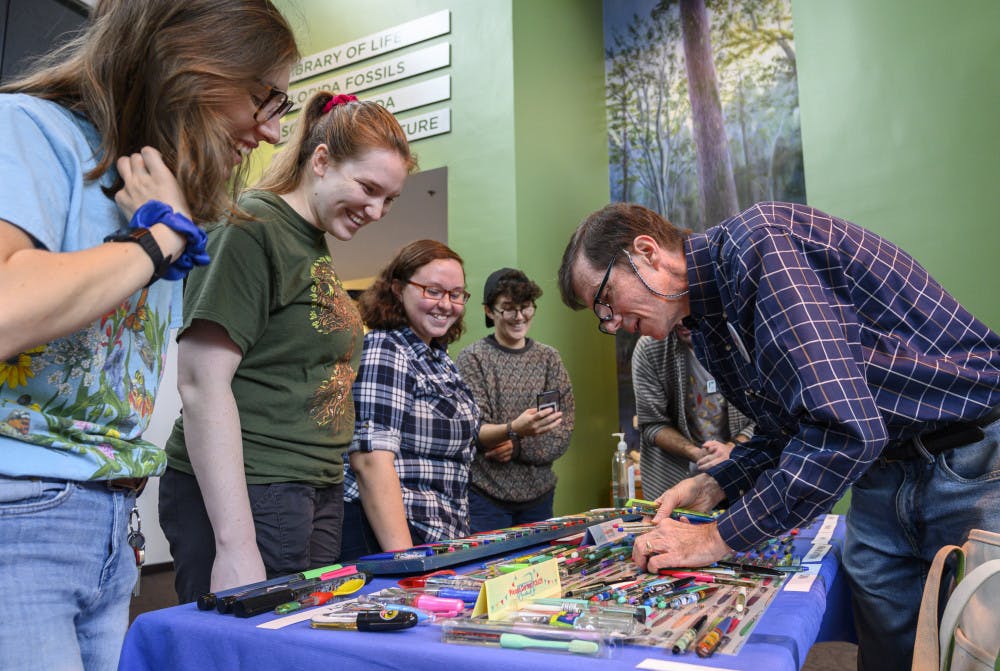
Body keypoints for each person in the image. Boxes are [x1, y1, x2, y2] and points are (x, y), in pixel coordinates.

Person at [557, 201, 1000, 671]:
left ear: (646, 252)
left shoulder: (762, 244)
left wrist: (714, 539)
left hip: (969, 459)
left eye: (606, 301)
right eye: (600, 316)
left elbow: (845, 431)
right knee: (889, 656)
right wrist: (718, 483)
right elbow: (787, 427)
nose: (613, 324)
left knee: (978, 652)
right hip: (880, 469)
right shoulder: (706, 325)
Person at [0, 0, 298, 668]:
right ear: (189, 60)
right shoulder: (27, 129)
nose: (273, 132)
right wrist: (159, 239)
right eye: (263, 98)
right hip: (19, 511)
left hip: (105, 526)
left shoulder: (150, 189)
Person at [158, 91, 415, 603]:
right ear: (320, 161)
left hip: (310, 485)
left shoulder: (308, 240)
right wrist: (235, 545)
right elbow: (201, 383)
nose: (377, 210)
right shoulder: (254, 226)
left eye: (389, 199)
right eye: (367, 188)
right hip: (258, 483)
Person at [339, 239, 480, 559]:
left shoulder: (438, 358)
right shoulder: (385, 349)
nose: (446, 304)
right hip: (392, 538)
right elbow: (370, 461)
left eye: (456, 294)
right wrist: (406, 561)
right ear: (398, 289)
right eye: (433, 290)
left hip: (436, 535)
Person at [456, 267, 574, 532]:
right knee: (490, 570)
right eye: (509, 308)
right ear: (489, 311)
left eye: (526, 307)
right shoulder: (473, 359)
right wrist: (512, 430)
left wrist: (517, 447)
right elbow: (472, 429)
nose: (519, 317)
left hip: (539, 498)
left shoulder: (548, 359)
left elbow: (562, 430)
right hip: (485, 499)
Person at [631, 326, 754, 499]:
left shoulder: (740, 340)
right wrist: (697, 454)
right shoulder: (650, 348)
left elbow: (767, 417)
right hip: (675, 483)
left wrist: (732, 449)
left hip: (744, 479)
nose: (682, 322)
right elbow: (652, 424)